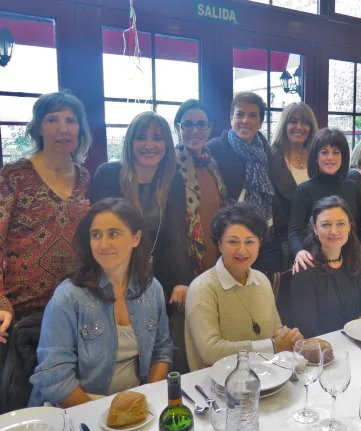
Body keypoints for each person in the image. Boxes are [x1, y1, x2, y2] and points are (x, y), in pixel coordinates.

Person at [29, 198, 172, 407]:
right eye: (96, 235)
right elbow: (55, 378)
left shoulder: (152, 289)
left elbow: (162, 350)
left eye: (113, 233)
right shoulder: (68, 297)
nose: (103, 244)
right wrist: (101, 416)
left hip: (134, 406)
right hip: (76, 409)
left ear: (136, 238)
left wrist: (147, 400)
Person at [0, 91, 92, 412]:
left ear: (80, 129)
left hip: (74, 308)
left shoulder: (84, 178)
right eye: (52, 120)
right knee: (25, 408)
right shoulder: (14, 176)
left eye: (70, 120)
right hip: (23, 314)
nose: (62, 128)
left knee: (72, 403)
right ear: (39, 127)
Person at [89, 111, 193, 373]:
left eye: (157, 138)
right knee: (120, 346)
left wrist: (183, 280)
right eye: (141, 138)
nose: (149, 144)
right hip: (115, 274)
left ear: (167, 145)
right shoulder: (108, 175)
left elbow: (177, 233)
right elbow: (100, 233)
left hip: (161, 275)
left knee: (159, 348)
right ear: (129, 142)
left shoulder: (173, 180)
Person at [184, 202, 302, 371]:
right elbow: (210, 351)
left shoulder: (262, 281)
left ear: (259, 243)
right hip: (216, 385)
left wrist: (291, 339)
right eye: (233, 242)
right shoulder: (202, 288)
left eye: (249, 242)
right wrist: (273, 346)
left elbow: (275, 330)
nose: (242, 250)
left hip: (264, 375)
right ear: (219, 244)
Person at [208, 92, 282, 274]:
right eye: (240, 114)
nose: (245, 120)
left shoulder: (267, 151)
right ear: (231, 118)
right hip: (231, 238)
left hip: (266, 235)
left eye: (253, 115)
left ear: (261, 121)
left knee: (266, 291)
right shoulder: (215, 148)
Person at [289, 196, 361, 338]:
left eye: (341, 224)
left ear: (349, 227)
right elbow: (308, 331)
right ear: (315, 229)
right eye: (326, 225)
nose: (334, 231)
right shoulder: (305, 271)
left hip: (356, 343)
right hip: (323, 351)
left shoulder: (353, 262)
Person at [288, 127, 356, 272]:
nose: (330, 157)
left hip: (348, 262)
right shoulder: (304, 190)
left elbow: (359, 229)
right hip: (314, 261)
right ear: (316, 157)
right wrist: (298, 252)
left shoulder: (352, 188)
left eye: (336, 152)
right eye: (324, 152)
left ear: (343, 157)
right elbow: (294, 231)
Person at [174, 99, 227, 273]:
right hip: (183, 263)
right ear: (178, 128)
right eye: (187, 124)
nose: (195, 131)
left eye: (201, 124)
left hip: (217, 257)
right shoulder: (169, 167)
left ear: (210, 128)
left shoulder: (212, 164)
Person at [269, 102, 318, 266]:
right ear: (284, 125)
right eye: (293, 121)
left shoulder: (318, 156)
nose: (299, 127)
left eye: (305, 122)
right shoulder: (271, 157)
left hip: (318, 237)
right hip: (281, 242)